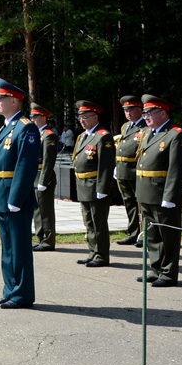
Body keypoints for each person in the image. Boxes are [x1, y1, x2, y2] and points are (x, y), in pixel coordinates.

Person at [0, 78, 39, 309]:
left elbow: (25, 166)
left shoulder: (26, 127)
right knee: (8, 248)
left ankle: (22, 294)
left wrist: (16, 199)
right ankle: (10, 290)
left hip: (14, 198)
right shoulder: (7, 127)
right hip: (2, 195)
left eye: (1, 98)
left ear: (14, 100)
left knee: (19, 248)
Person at [135, 94, 182, 287]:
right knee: (152, 235)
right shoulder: (147, 133)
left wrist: (170, 196)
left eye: (149, 112)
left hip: (162, 194)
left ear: (162, 112)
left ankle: (168, 273)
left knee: (168, 236)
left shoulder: (176, 134)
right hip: (146, 193)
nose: (146, 116)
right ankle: (156, 268)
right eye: (144, 112)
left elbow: (177, 168)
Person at [71, 101, 116, 267]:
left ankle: (101, 255)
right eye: (80, 117)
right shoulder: (83, 136)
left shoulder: (103, 136)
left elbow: (106, 165)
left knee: (99, 223)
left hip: (95, 184)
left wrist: (102, 188)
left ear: (95, 117)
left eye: (86, 117)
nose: (82, 120)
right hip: (83, 185)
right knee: (88, 222)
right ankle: (93, 251)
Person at [115, 96, 145, 247]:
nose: (128, 113)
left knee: (141, 205)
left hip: (136, 171)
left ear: (140, 109)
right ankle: (133, 233)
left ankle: (143, 235)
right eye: (126, 110)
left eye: (132, 109)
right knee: (129, 204)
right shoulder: (126, 127)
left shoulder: (146, 126)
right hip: (123, 170)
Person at [30, 104, 59, 252]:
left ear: (43, 118)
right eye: (32, 117)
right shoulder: (36, 134)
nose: (33, 119)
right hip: (34, 176)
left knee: (45, 211)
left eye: (35, 117)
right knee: (37, 210)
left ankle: (48, 240)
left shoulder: (49, 135)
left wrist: (43, 180)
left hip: (43, 177)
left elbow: (48, 160)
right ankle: (40, 238)